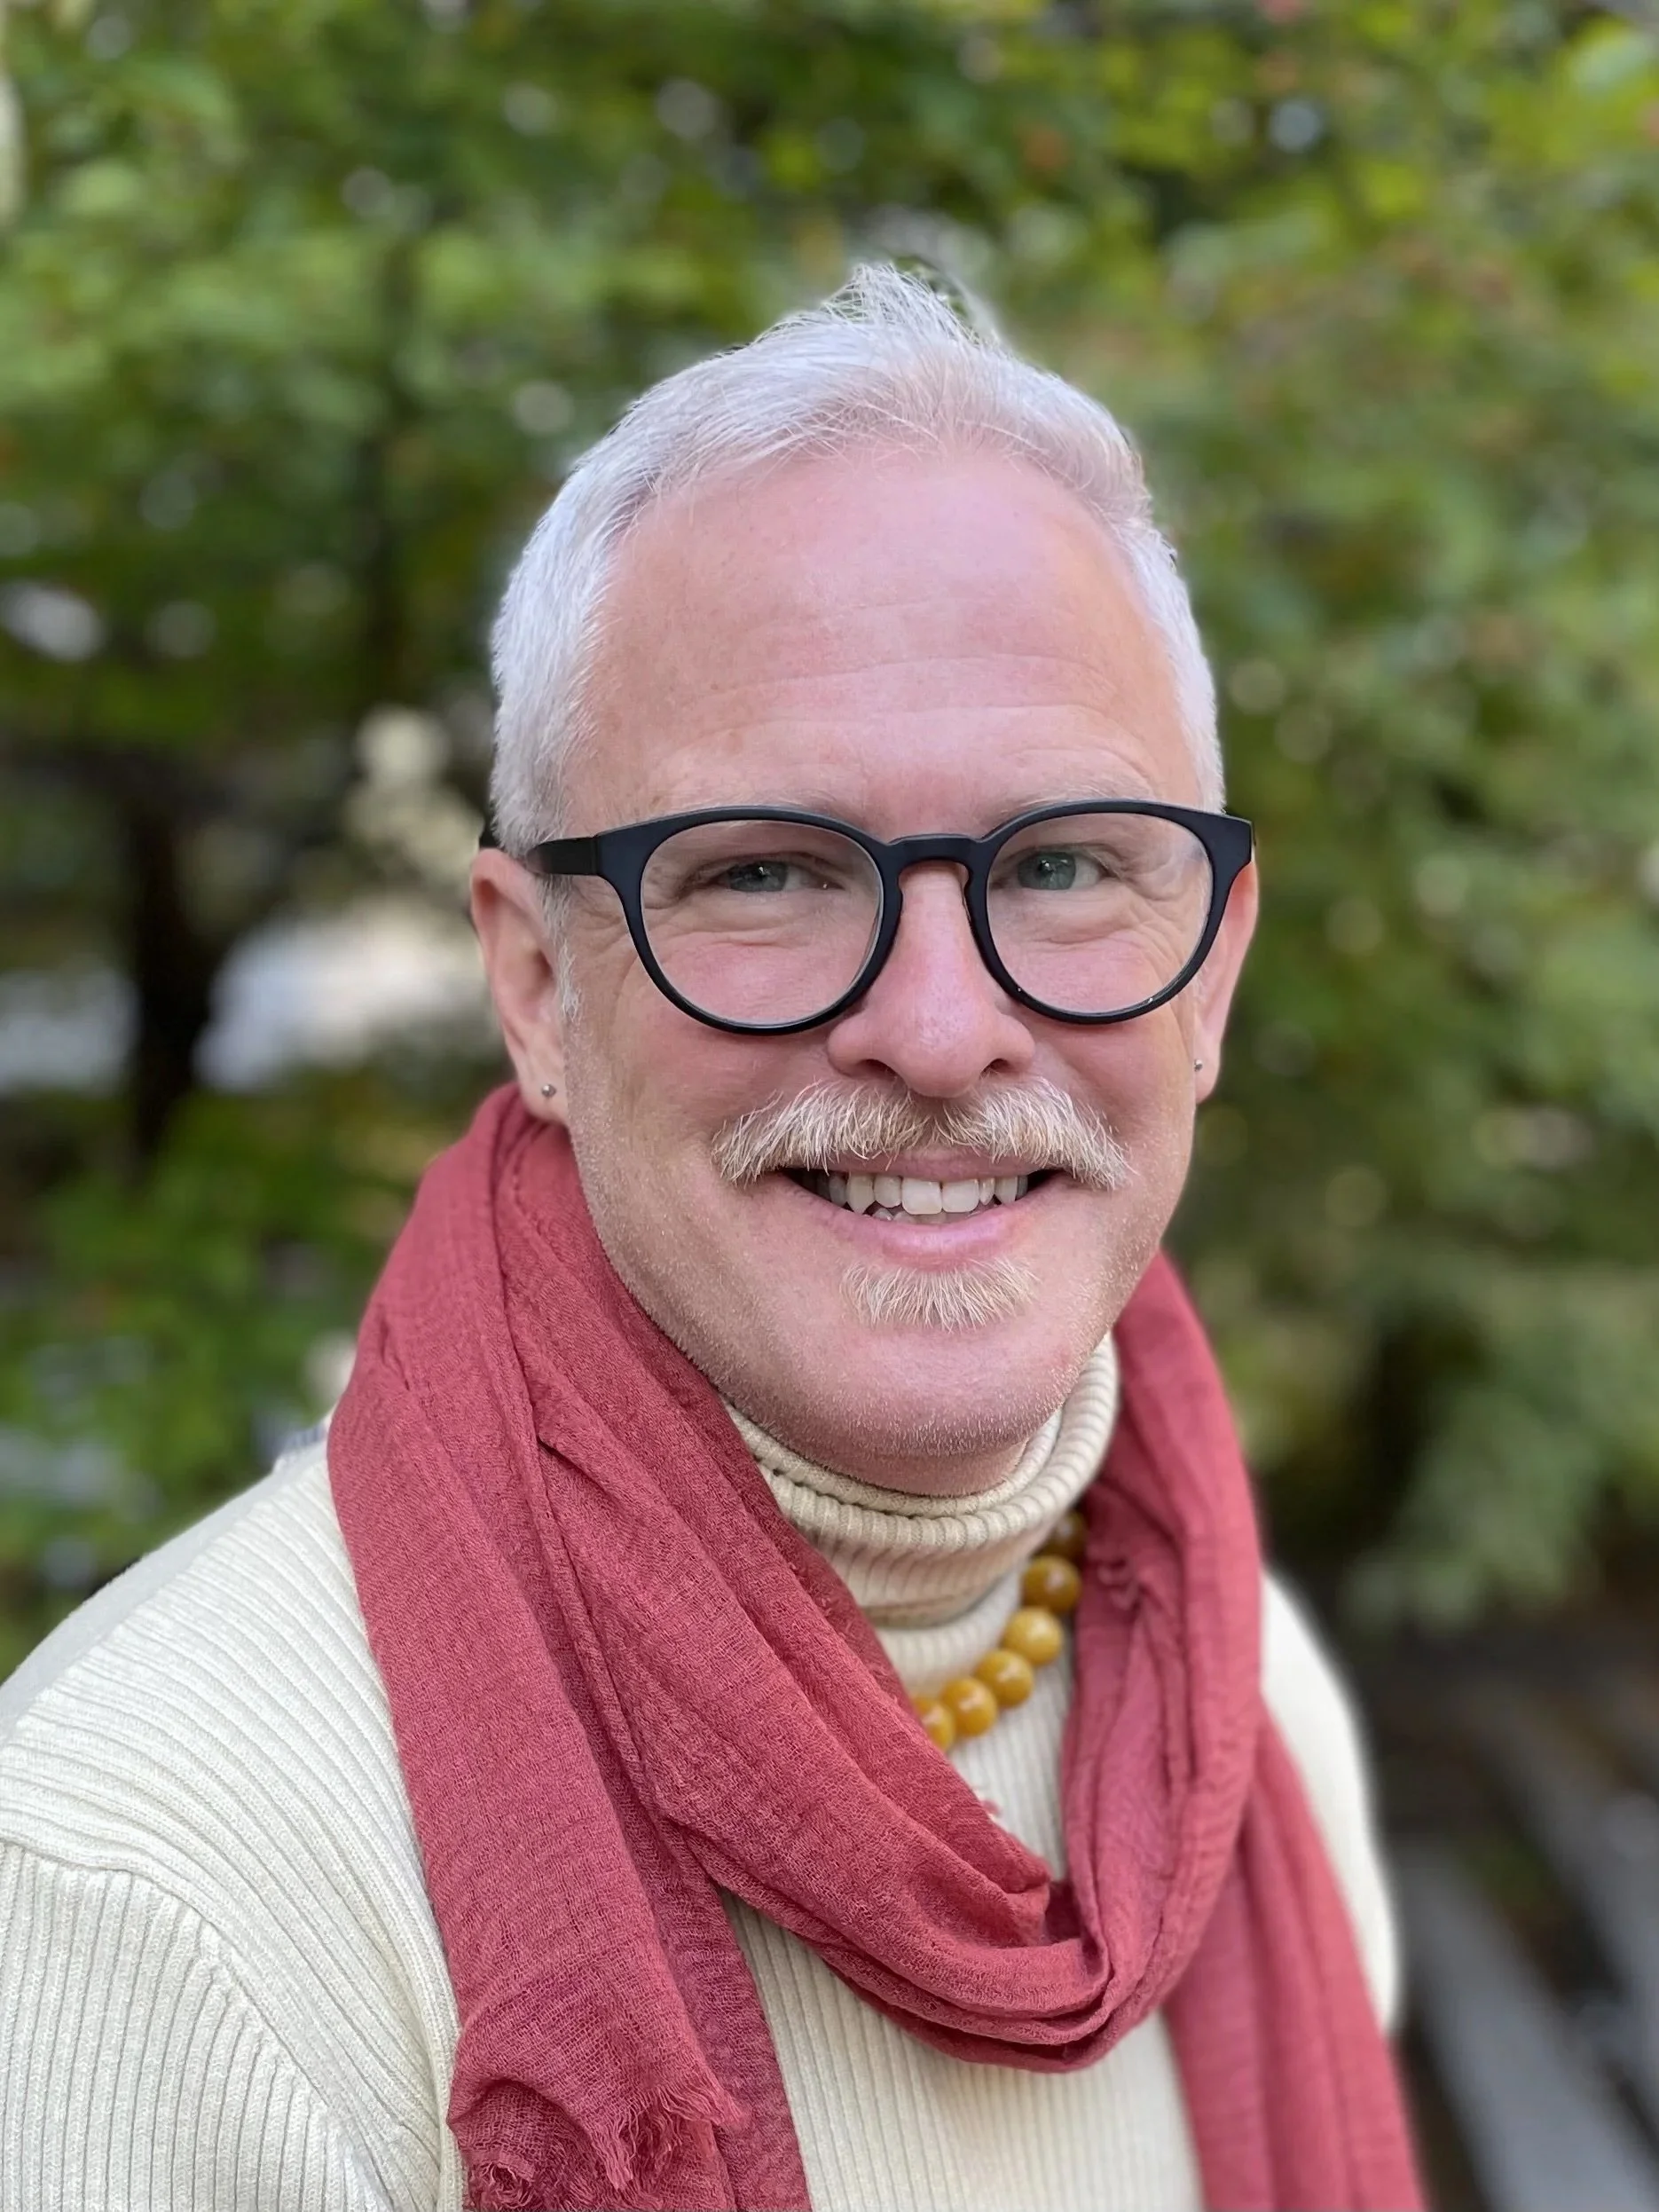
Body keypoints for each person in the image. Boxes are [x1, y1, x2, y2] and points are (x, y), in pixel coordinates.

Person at [0, 267, 1421, 2212]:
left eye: (1069, 865)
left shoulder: (1247, 1706)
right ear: (534, 986)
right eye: (765, 873)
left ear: (1212, 977)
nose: (934, 1026)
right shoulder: (147, 1889)